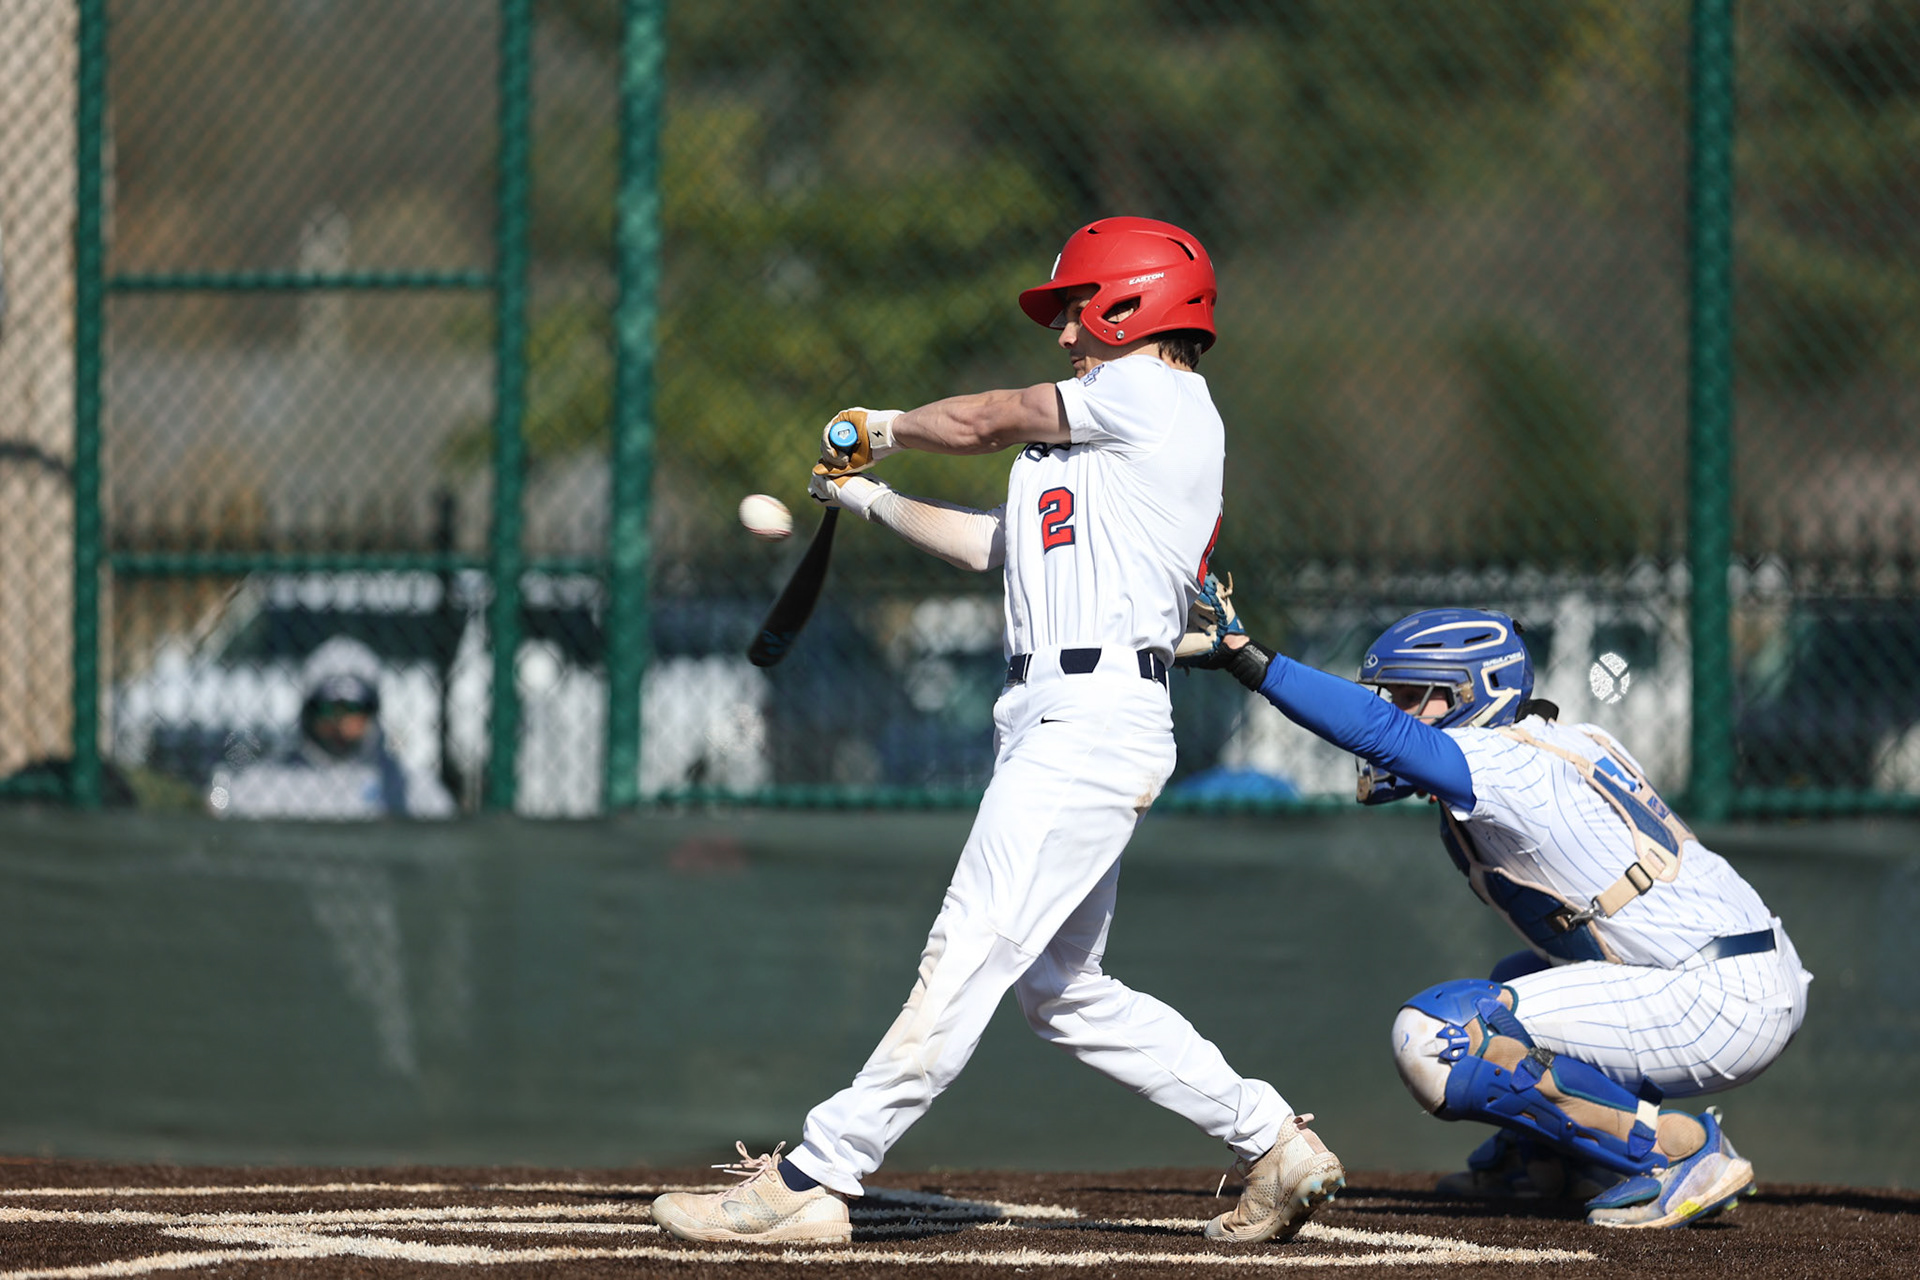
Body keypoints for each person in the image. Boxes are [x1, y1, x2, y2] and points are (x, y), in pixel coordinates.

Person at [649, 218, 1344, 1247]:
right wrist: (874, 499)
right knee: (1062, 990)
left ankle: (814, 1171)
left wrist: (881, 423)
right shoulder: (1101, 441)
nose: (1065, 332)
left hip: (1092, 716)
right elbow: (1002, 548)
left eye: (1077, 308)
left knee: (966, 949)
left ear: (1133, 301)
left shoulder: (1156, 394)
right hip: (1062, 718)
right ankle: (1272, 1140)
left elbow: (990, 418)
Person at [1177, 586, 1811, 1229]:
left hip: (1718, 995)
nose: (1394, 710)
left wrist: (1249, 659)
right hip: (1730, 971)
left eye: (1410, 695)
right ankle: (1551, 1159)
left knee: (1437, 1039)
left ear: (1473, 694)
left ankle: (1682, 1151)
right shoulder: (1542, 743)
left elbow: (1379, 733)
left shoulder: (1506, 758)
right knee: (1514, 978)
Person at [213, 636, 455, 820]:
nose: (341, 722)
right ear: (309, 710)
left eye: (353, 708)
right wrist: (216, 793)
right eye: (329, 709)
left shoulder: (405, 786)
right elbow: (219, 805)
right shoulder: (272, 782)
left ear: (372, 711)